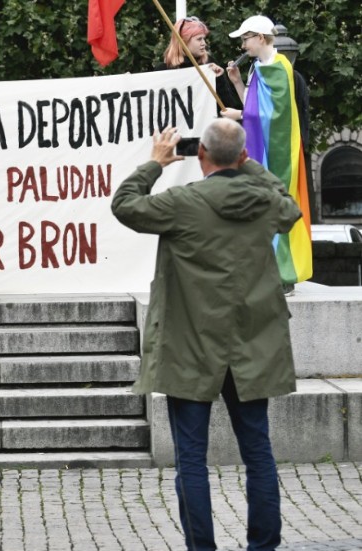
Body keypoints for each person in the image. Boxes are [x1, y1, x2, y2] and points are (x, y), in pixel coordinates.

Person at [111, 120, 301, 551]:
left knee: (192, 460)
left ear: (201, 155)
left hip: (191, 349)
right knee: (258, 453)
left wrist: (154, 164)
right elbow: (291, 207)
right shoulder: (266, 200)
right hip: (252, 347)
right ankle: (263, 546)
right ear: (241, 157)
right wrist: (250, 166)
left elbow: (125, 205)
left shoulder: (183, 202)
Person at [221, 15, 312, 286]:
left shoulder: (278, 67)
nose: (243, 46)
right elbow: (255, 106)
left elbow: (275, 115)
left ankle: (284, 276)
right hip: (264, 150)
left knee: (275, 206)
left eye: (245, 39)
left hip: (279, 153)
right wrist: (238, 83)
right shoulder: (258, 67)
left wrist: (238, 115)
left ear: (260, 38)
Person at [155, 17, 243, 111]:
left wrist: (220, 78)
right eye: (199, 39)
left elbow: (228, 106)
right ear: (183, 41)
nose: (204, 43)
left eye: (204, 39)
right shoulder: (164, 70)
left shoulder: (210, 64)